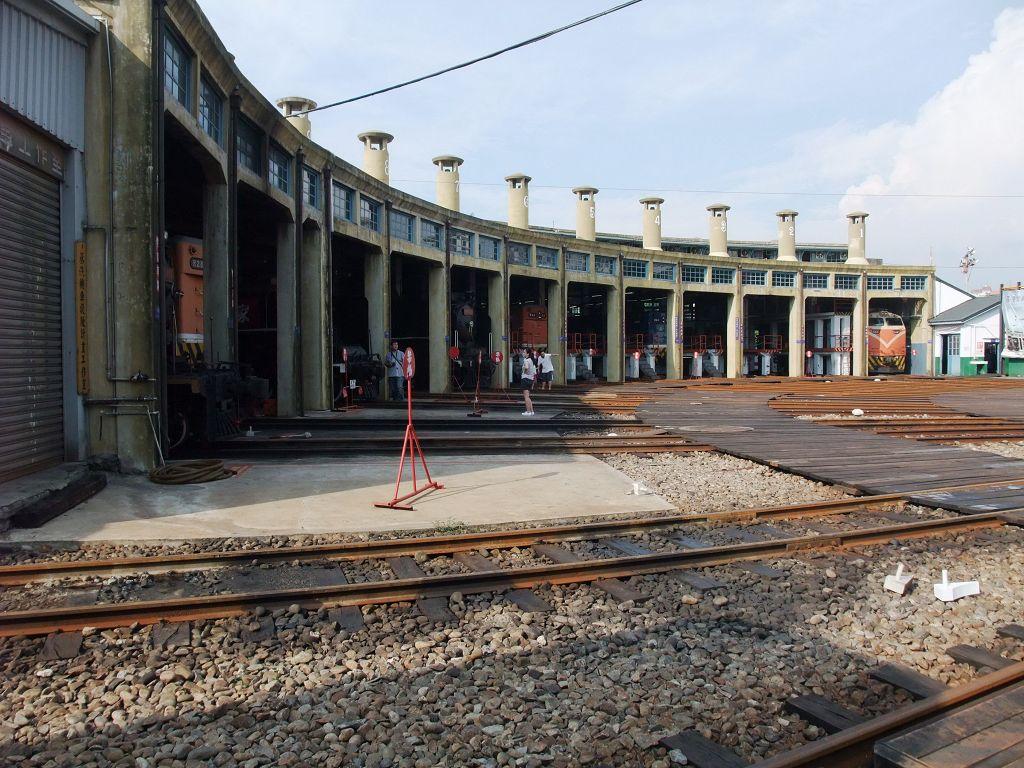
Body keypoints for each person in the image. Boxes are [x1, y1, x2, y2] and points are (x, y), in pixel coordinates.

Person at [520, 348, 537, 415]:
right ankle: (531, 411)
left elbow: (526, 367)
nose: (523, 353)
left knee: (526, 396)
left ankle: (528, 411)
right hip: (530, 379)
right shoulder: (531, 360)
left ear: (528, 354)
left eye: (524, 352)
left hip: (525, 379)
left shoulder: (526, 360)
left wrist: (524, 370)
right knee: (528, 396)